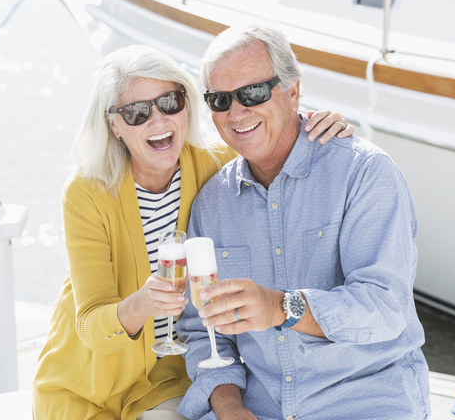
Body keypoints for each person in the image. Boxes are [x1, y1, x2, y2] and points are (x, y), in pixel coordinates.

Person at [30, 44, 354, 420]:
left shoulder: (218, 164)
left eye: (169, 101)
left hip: (172, 378)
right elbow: (89, 327)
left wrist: (321, 124)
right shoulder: (88, 191)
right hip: (88, 385)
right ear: (114, 125)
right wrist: (142, 304)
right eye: (136, 112)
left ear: (187, 104)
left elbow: (275, 136)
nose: (157, 120)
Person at [176, 24, 430, 420]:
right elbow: (203, 332)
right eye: (220, 99)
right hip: (260, 406)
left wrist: (282, 307)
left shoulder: (364, 173)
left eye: (253, 93)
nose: (237, 112)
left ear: (293, 90)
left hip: (365, 401)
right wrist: (229, 407)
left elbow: (384, 306)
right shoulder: (211, 204)